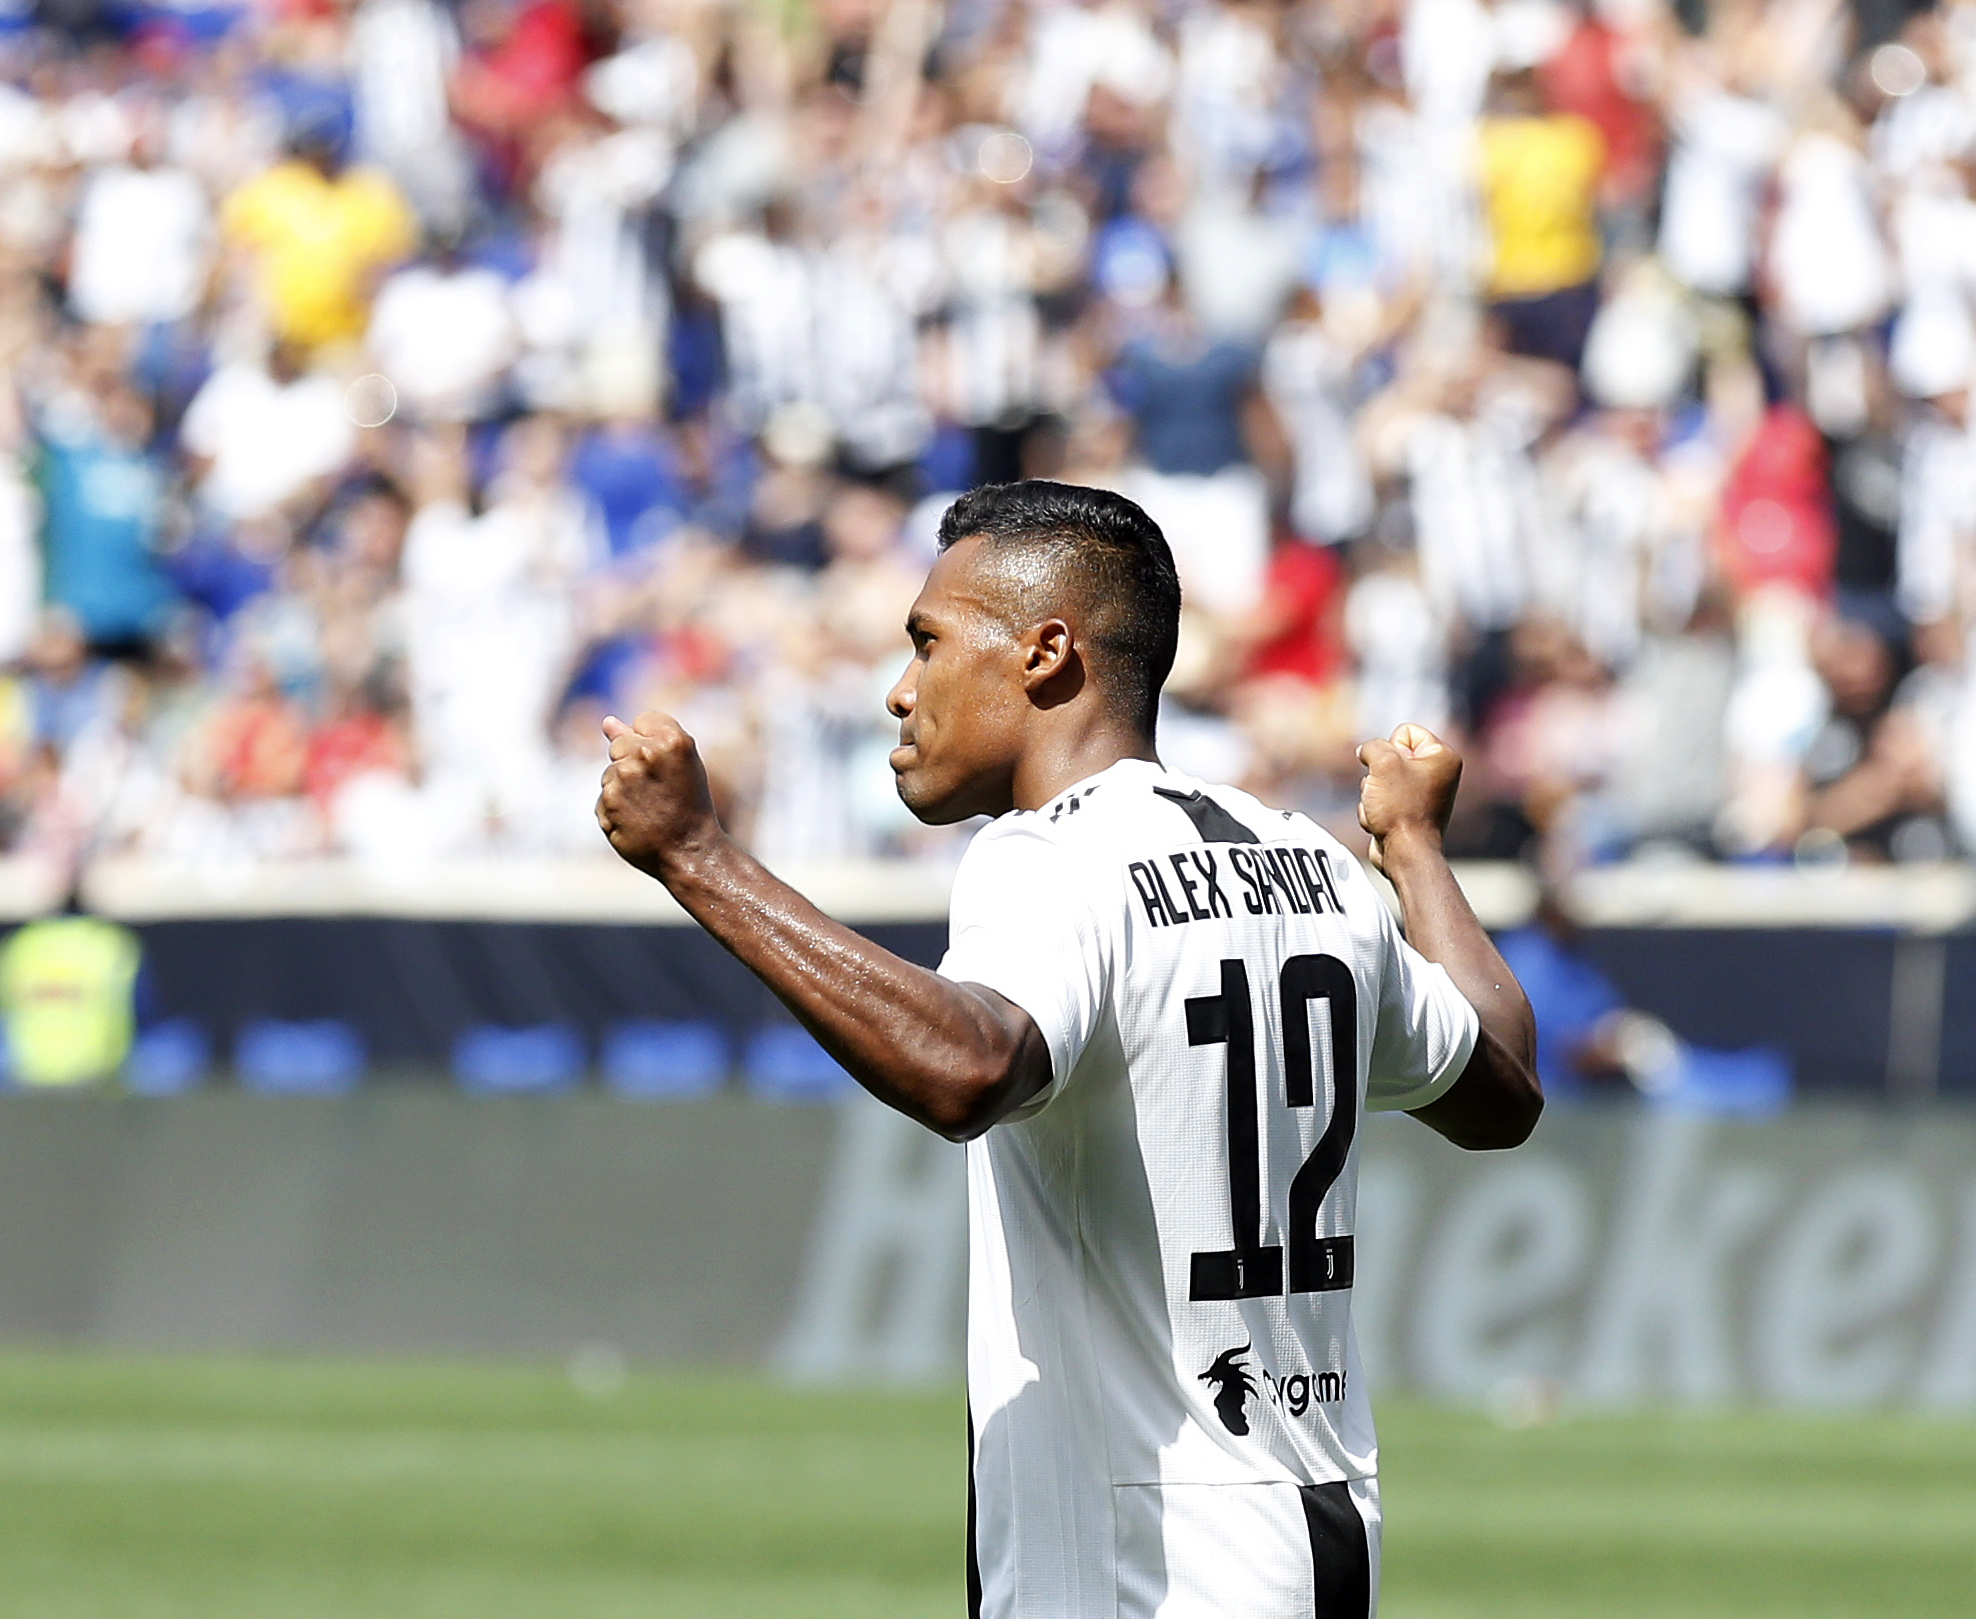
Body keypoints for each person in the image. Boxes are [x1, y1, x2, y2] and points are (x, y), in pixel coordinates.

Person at [594, 480, 1540, 1618]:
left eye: (928, 643)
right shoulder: (1309, 859)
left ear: (1044, 654)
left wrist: (699, 856)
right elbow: (1501, 1086)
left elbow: (969, 1067)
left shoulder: (1050, 856)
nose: (900, 690)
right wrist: (1415, 846)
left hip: (1147, 1564)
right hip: (1319, 1533)